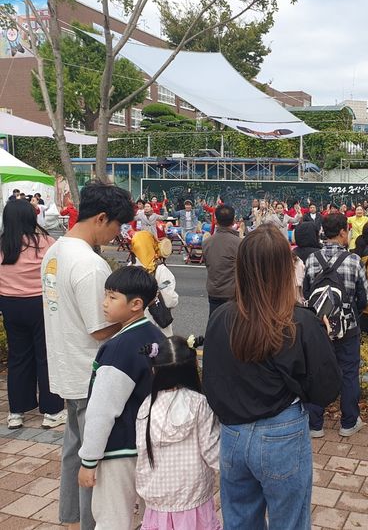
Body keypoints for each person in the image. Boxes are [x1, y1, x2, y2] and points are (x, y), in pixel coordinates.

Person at [203, 224, 341, 529]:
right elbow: (326, 388)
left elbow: (211, 381)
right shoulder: (300, 322)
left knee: (239, 520)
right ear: (286, 268)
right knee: (290, 521)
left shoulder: (222, 317)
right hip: (282, 432)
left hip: (233, 434)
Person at [42, 181, 134, 530]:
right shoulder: (91, 265)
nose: (117, 234)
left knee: (74, 449)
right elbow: (100, 328)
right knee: (93, 459)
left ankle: (70, 517)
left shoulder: (56, 250)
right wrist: (134, 319)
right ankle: (89, 522)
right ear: (100, 218)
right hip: (91, 373)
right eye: (116, 225)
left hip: (66, 368)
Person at [77, 267, 165, 530]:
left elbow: (102, 411)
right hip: (150, 445)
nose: (104, 303)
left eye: (112, 297)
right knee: (148, 517)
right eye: (105, 295)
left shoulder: (117, 349)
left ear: (136, 304)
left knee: (112, 518)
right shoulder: (156, 336)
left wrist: (89, 460)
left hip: (118, 450)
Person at [135, 335, 221, 530]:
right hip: (194, 496)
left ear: (155, 370)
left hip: (158, 500)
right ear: (193, 368)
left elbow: (141, 450)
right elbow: (212, 452)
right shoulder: (200, 404)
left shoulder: (147, 406)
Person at [303, 213, 368, 438]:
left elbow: (305, 294)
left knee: (317, 370)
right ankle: (348, 423)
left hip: (319, 328)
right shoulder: (354, 260)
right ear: (342, 232)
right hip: (348, 327)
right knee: (349, 373)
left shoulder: (312, 260)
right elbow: (365, 298)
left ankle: (315, 425)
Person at [0, 200, 65, 430]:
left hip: (9, 305)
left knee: (18, 358)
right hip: (40, 305)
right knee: (45, 357)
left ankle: (16, 412)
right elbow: (58, 273)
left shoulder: (3, 245)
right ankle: (52, 411)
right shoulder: (46, 243)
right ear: (32, 218)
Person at [130, 231, 179, 337]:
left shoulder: (129, 268)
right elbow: (170, 299)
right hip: (156, 326)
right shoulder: (160, 270)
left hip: (134, 324)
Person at [203, 204, 242, 317]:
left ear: (216, 220)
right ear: (233, 220)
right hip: (232, 292)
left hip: (214, 291)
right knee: (232, 326)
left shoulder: (207, 242)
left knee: (214, 321)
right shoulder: (239, 243)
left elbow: (208, 264)